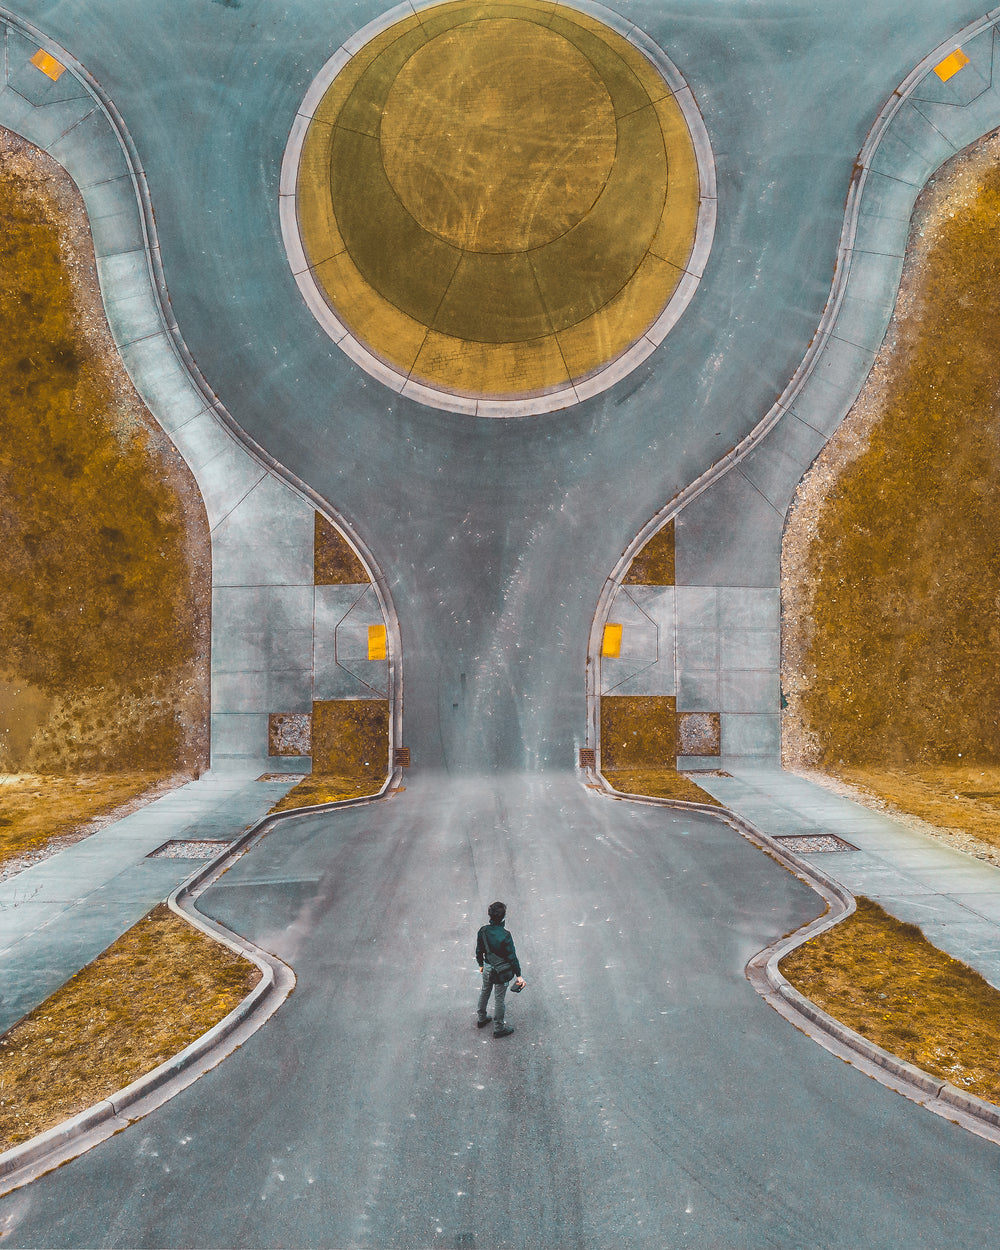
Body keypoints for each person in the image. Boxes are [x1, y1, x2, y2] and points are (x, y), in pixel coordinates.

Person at [475, 900, 525, 1038]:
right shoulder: (505, 935)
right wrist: (519, 975)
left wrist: (481, 964)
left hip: (487, 967)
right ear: (503, 917)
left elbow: (479, 950)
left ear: (490, 915)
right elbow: (512, 957)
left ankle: (481, 1018)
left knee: (485, 991)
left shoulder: (483, 931)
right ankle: (498, 1028)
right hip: (501, 972)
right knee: (499, 999)